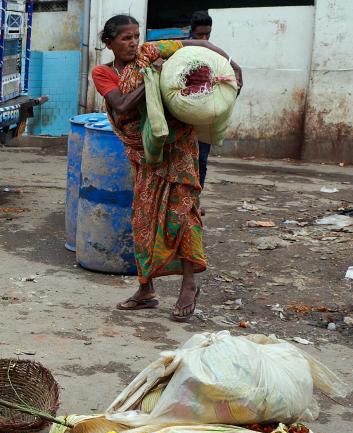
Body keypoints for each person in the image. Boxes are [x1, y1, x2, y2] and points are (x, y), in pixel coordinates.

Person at [90, 14, 241, 321]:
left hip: (179, 145)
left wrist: (230, 64)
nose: (133, 43)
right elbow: (121, 105)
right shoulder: (103, 72)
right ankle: (146, 290)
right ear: (109, 43)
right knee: (144, 218)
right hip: (144, 150)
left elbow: (201, 44)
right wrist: (151, 78)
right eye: (125, 38)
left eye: (135, 36)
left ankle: (189, 284)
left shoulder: (153, 51)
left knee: (183, 211)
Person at [189, 11, 213, 187]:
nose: (204, 38)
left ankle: (195, 202)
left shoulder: (214, 53)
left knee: (201, 160)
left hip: (205, 115)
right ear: (191, 32)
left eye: (207, 34)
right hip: (182, 114)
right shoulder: (180, 50)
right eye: (200, 35)